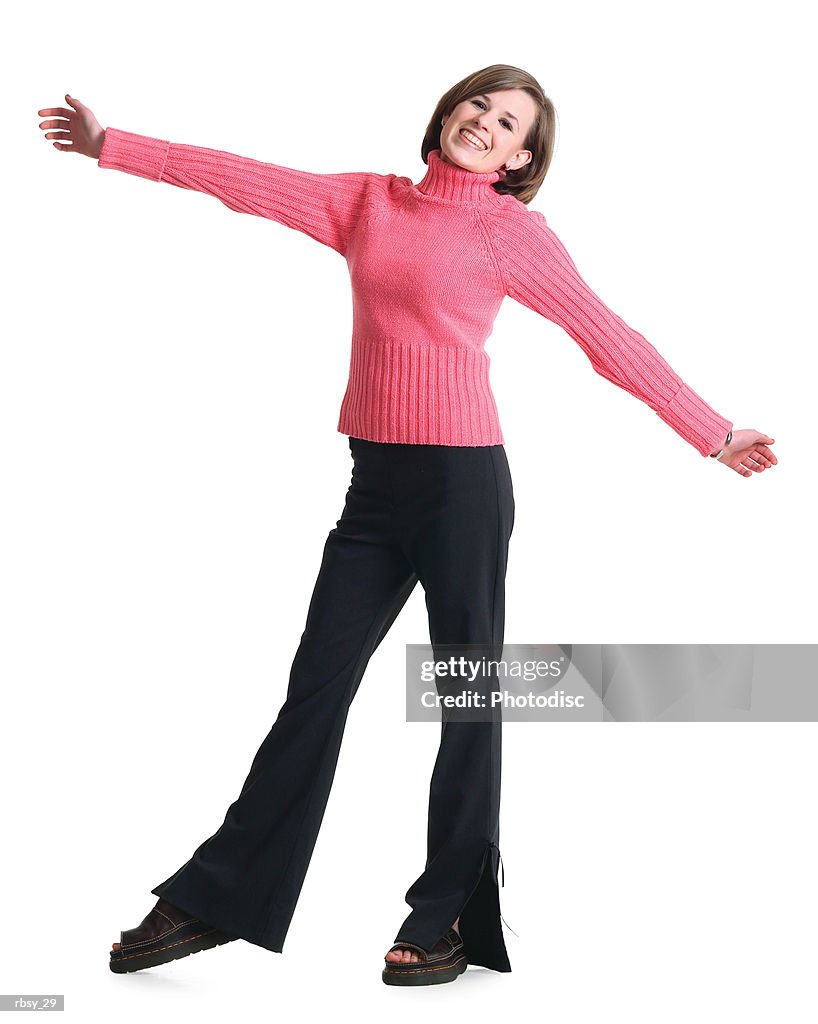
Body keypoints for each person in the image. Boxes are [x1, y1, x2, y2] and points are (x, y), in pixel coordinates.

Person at [36, 63, 777, 987]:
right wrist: (115, 147)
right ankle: (217, 898)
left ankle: (447, 919)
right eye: (481, 104)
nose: (488, 124)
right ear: (450, 111)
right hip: (375, 487)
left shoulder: (513, 236)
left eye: (511, 124)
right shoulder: (368, 203)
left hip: (465, 488)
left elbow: (608, 337)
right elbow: (238, 179)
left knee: (466, 696)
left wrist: (712, 433)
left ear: (520, 159)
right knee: (316, 688)